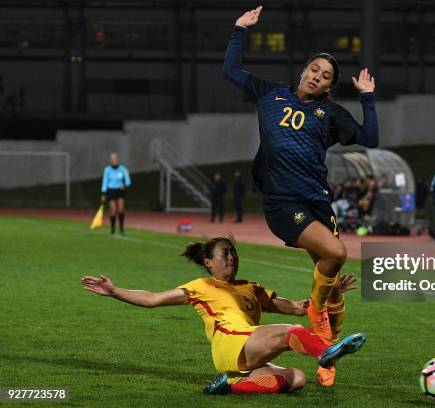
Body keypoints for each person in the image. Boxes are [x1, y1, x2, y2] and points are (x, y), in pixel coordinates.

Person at [222, 5, 378, 385]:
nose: (317, 77)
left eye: (325, 76)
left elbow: (370, 139)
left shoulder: (331, 113)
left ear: (329, 86)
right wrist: (239, 30)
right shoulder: (270, 94)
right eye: (314, 70)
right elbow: (231, 71)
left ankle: (328, 354)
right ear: (303, 71)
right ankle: (316, 310)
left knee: (337, 285)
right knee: (338, 254)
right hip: (282, 202)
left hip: (317, 202)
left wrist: (367, 98)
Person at [80, 237, 364, 394]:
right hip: (231, 343)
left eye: (234, 253)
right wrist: (115, 291)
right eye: (224, 254)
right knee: (288, 332)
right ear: (208, 262)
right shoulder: (200, 286)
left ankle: (230, 384)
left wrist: (329, 289)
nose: (231, 258)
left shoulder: (252, 288)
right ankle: (326, 353)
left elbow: (299, 307)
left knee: (297, 378)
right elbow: (153, 299)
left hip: (248, 351)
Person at [101, 152, 131, 235]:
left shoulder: (123, 169)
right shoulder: (107, 170)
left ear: (117, 160)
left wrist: (124, 185)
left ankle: (121, 229)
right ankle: (113, 229)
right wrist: (103, 193)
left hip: (120, 191)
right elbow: (105, 182)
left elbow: (128, 181)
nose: (113, 161)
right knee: (113, 210)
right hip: (111, 191)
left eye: (114, 159)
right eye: (112, 159)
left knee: (121, 209)